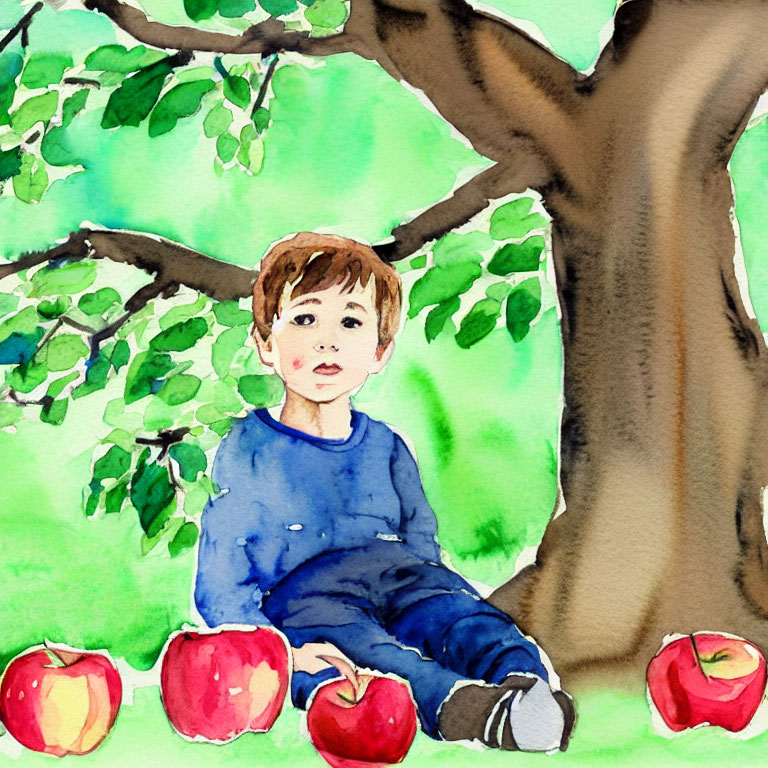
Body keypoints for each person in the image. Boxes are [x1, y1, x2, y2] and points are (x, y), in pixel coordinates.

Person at [194, 232, 574, 751]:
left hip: (401, 580)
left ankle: (525, 687)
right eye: (305, 319)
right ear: (266, 344)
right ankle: (463, 710)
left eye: (350, 322)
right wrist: (280, 652)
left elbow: (420, 537)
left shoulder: (387, 446)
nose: (327, 341)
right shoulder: (248, 448)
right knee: (369, 654)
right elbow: (221, 578)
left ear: (378, 352)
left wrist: (431, 594)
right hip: (308, 602)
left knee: (464, 618)